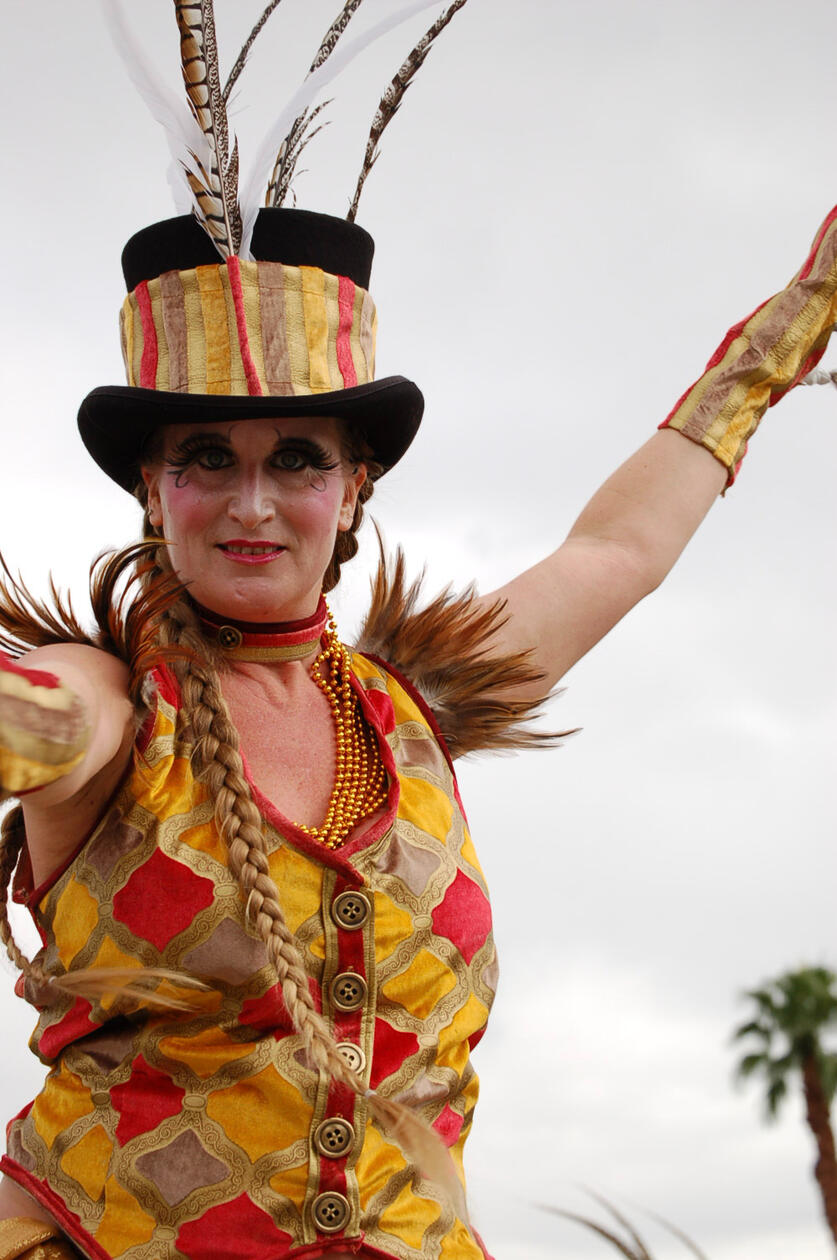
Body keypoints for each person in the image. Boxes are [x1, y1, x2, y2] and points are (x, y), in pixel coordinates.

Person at [1, 7, 836, 1260]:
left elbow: (617, 553)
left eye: (295, 458)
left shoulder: (413, 710)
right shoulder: (113, 708)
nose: (250, 502)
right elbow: (37, 721)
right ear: (149, 488)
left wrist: (793, 328)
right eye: (202, 460)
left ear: (354, 489)